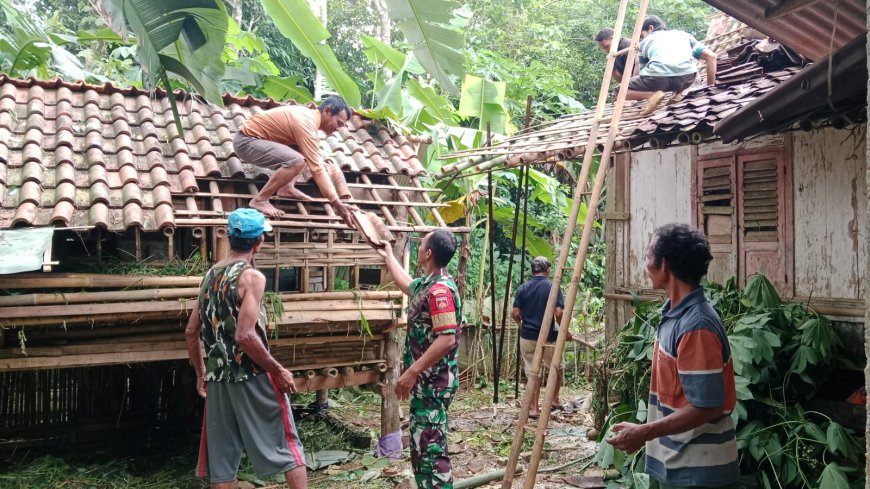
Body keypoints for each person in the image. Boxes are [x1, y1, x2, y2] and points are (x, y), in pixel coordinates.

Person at [607, 223, 739, 489]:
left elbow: (708, 405)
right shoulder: (673, 315)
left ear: (664, 265)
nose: (645, 265)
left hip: (697, 472)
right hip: (675, 463)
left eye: (647, 256)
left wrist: (644, 431)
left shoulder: (696, 326)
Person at [185, 208, 308, 489]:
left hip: (218, 380)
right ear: (259, 242)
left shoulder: (209, 276)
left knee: (222, 461)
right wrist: (277, 370)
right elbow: (245, 335)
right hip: (252, 374)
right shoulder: (252, 278)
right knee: (285, 445)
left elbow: (191, 331)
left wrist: (200, 372)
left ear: (229, 238)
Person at [377, 229, 461, 489]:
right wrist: (388, 254)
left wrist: (412, 371)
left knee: (432, 452)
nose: (419, 246)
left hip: (432, 384)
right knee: (421, 449)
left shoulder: (440, 292)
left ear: (428, 254)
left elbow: (447, 338)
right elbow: (406, 284)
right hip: (424, 384)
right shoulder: (426, 285)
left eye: (422, 243)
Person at [233, 95, 356, 223]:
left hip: (254, 140)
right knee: (297, 161)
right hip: (246, 142)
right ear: (327, 111)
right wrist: (336, 203)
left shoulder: (308, 118)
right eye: (339, 123)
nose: (338, 129)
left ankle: (286, 188)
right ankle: (260, 200)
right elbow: (317, 169)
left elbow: (314, 158)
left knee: (306, 153)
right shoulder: (306, 123)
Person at [512, 256, 568, 419]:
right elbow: (558, 313)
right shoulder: (553, 287)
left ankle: (534, 409)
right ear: (548, 270)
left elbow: (515, 313)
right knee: (556, 367)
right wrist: (563, 329)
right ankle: (554, 400)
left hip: (528, 336)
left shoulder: (523, 288)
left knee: (532, 372)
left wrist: (521, 324)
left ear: (533, 271)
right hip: (549, 336)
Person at [627, 15, 718, 116]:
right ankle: (681, 93)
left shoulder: (643, 43)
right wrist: (710, 89)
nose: (642, 38)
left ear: (650, 28)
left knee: (620, 91)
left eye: (642, 35)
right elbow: (711, 57)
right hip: (686, 78)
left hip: (658, 80)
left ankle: (651, 95)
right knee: (694, 74)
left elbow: (643, 73)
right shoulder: (685, 35)